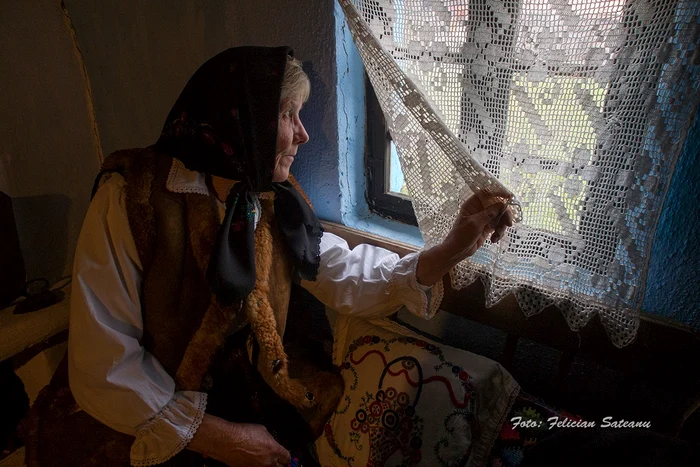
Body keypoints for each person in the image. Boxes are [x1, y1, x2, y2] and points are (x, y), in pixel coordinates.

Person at [62, 46, 513, 467]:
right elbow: (103, 362)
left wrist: (451, 249)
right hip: (154, 423)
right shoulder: (132, 199)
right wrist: (222, 439)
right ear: (242, 120)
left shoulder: (274, 199)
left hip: (252, 401)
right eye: (287, 114)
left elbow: (342, 273)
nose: (303, 133)